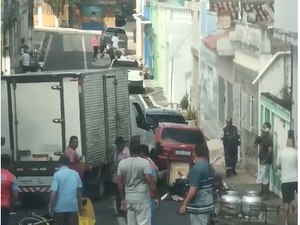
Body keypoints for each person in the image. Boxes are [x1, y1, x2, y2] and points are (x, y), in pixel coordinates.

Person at [117, 141, 158, 225]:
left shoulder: (122, 163)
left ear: (130, 151)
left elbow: (120, 183)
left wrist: (122, 199)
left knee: (131, 222)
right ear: (139, 150)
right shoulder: (144, 163)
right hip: (142, 198)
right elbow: (149, 181)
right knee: (143, 222)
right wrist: (156, 196)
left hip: (129, 197)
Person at [178, 143, 215, 225]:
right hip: (207, 204)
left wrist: (184, 203)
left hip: (199, 206)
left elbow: (193, 189)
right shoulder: (209, 166)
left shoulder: (197, 168)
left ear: (194, 153)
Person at [49, 155, 83, 225]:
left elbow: (53, 192)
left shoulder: (57, 175)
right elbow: (79, 192)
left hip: (59, 209)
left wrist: (50, 205)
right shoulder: (75, 174)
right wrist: (80, 206)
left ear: (59, 163)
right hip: (72, 208)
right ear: (69, 163)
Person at [276, 138, 298, 225]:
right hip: (295, 179)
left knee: (286, 202)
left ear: (286, 143)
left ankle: (286, 222)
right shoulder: (296, 153)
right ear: (293, 144)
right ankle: (296, 211)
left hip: (285, 181)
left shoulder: (281, 153)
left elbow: (278, 166)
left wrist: (283, 167)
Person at [140, 145, 159, 225]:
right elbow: (154, 181)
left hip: (137, 196)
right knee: (150, 218)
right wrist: (156, 197)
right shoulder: (149, 165)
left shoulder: (132, 164)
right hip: (148, 196)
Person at [113, 136, 131, 217]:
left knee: (127, 193)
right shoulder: (116, 152)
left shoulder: (127, 152)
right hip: (118, 175)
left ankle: (128, 209)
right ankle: (120, 210)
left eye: (118, 145)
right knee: (119, 194)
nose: (117, 147)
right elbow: (115, 162)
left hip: (126, 176)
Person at [1, 154, 19, 225]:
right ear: (9, 164)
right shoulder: (12, 177)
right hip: (5, 206)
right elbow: (15, 196)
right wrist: (10, 203)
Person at [258, 127, 273, 199]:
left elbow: (270, 151)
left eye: (263, 132)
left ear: (266, 133)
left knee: (265, 177)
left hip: (265, 162)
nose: (261, 133)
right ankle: (263, 191)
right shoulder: (263, 139)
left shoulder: (268, 140)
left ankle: (266, 194)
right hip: (262, 161)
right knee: (262, 177)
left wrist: (265, 160)